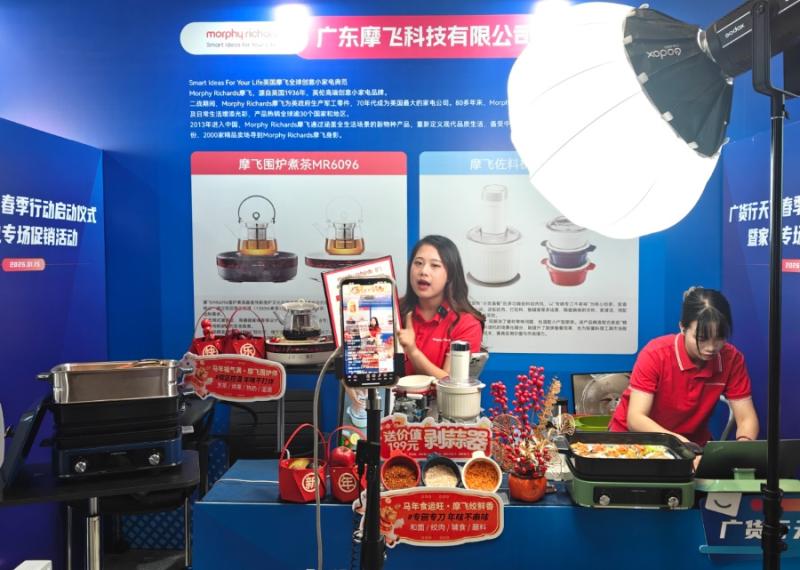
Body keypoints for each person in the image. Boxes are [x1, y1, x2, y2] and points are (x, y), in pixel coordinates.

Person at [609, 287, 759, 446]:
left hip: (693, 444)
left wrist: (744, 445)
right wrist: (679, 443)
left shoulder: (731, 359)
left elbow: (746, 418)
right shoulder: (655, 354)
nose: (711, 347)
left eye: (719, 338)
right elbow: (636, 419)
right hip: (635, 439)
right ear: (682, 328)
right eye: (701, 338)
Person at [397, 235, 485, 379]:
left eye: (435, 265)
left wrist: (412, 351)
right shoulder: (393, 310)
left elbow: (453, 383)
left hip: (441, 395)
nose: (423, 271)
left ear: (450, 274)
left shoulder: (466, 323)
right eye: (418, 263)